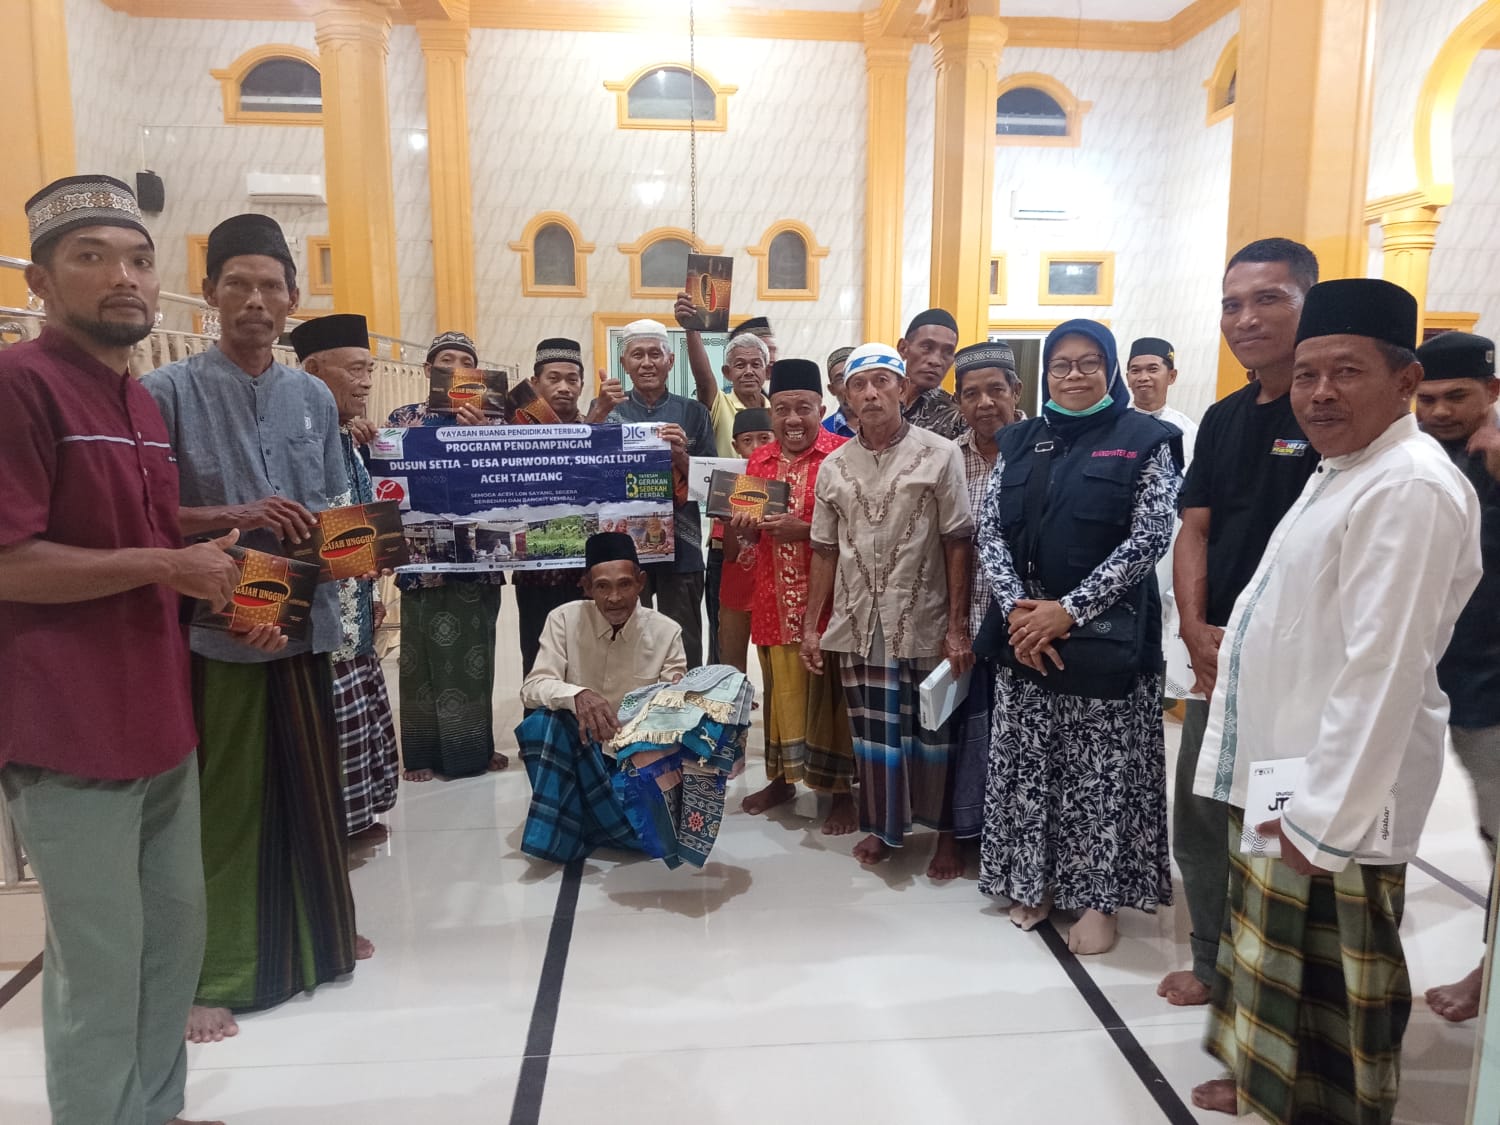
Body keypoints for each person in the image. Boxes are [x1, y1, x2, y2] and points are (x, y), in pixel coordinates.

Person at [0, 175, 271, 1125]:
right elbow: (10, 561)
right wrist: (167, 561)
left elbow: (148, 543)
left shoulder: (138, 402)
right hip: (70, 730)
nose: (125, 277)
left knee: (171, 943)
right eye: (92, 257)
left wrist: (220, 572)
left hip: (160, 719)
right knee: (101, 959)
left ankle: (155, 1110)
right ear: (40, 281)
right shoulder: (20, 385)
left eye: (140, 260)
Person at [1188, 278, 1481, 1122]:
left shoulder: (1409, 486)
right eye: (1309, 373)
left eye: (1346, 372)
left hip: (1339, 787)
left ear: (1404, 379)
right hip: (1289, 764)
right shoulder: (1348, 469)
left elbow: (1382, 669)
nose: (1319, 393)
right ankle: (1264, 1080)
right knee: (1271, 948)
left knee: (1335, 974)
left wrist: (1323, 816)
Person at [143, 212, 365, 1045]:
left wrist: (363, 555)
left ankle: (322, 939)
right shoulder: (167, 392)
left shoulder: (312, 396)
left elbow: (334, 505)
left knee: (311, 784)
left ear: (293, 298)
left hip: (301, 619)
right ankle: (216, 970)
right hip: (220, 621)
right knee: (229, 800)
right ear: (208, 294)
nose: (255, 301)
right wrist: (233, 512)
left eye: (271, 285)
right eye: (237, 283)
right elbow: (145, 516)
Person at [975, 321, 1179, 955]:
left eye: (1090, 363)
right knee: (1031, 765)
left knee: (1099, 774)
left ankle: (1098, 897)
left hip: (1104, 635)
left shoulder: (1146, 440)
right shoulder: (1019, 440)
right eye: (1061, 364)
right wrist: (1020, 613)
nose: (1074, 375)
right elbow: (990, 531)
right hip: (1025, 637)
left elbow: (1150, 537)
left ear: (1111, 369)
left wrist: (1067, 611)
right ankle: (1033, 880)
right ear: (1046, 374)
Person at [1157, 237, 1323, 1008]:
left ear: (1308, 304)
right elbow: (1195, 528)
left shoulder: (1329, 416)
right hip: (1218, 656)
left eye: (1268, 299)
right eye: (1232, 303)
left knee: (1276, 825)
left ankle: (1270, 980)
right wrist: (1194, 627)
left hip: (1299, 669)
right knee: (1199, 812)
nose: (1246, 318)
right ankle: (1211, 957)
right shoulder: (1225, 418)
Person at [803, 343, 974, 879]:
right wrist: (810, 627)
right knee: (874, 736)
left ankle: (946, 835)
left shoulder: (940, 454)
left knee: (936, 733)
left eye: (882, 381)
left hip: (924, 617)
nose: (871, 393)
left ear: (902, 388)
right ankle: (884, 828)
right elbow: (824, 550)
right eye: (859, 384)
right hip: (858, 622)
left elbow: (957, 540)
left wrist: (957, 626)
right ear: (846, 395)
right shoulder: (833, 466)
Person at [1413, 331, 1500, 1023]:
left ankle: (1489, 973)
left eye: (1457, 397)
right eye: (1427, 397)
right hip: (1420, 680)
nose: (1440, 411)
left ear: (1491, 392)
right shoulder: (1412, 460)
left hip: (1490, 686)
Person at [729, 360, 856, 835]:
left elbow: (862, 530)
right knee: (781, 694)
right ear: (771, 413)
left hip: (831, 603)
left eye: (804, 408)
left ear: (822, 408)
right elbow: (746, 540)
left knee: (831, 698)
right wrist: (744, 531)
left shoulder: (843, 456)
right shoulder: (758, 462)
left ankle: (841, 793)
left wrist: (803, 530)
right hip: (773, 598)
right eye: (782, 409)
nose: (793, 419)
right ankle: (781, 781)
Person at [291, 313, 400, 841]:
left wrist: (371, 572)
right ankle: (328, 829)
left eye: (369, 369)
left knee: (358, 714)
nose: (366, 381)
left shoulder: (344, 437)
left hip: (353, 607)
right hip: (315, 614)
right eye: (355, 369)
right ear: (313, 370)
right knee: (327, 720)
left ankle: (354, 821)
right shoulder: (297, 439)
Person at [516, 532, 687, 863]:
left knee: (651, 833)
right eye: (603, 587)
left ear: (641, 582)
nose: (614, 598)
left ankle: (580, 817)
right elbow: (533, 687)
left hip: (634, 758)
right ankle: (574, 824)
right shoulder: (563, 619)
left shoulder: (667, 632)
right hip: (579, 749)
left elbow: (674, 711)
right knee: (541, 724)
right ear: (586, 587)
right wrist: (577, 695)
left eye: (624, 585)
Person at [385, 330, 509, 781]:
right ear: (428, 370)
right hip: (422, 561)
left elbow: (506, 484)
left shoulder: (492, 420)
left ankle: (474, 749)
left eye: (465, 362)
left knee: (477, 656)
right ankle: (421, 755)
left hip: (475, 560)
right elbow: (387, 474)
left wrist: (483, 439)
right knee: (420, 659)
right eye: (446, 360)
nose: (456, 368)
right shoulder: (405, 418)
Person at [510, 337, 624, 678]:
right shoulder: (513, 431)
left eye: (572, 379)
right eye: (553, 378)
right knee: (540, 658)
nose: (564, 387)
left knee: (594, 660)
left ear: (582, 385)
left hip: (589, 572)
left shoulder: (608, 429)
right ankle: (541, 715)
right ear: (535, 383)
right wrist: (595, 418)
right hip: (536, 570)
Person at [607, 318, 715, 668]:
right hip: (624, 545)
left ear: (670, 361)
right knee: (627, 637)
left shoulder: (694, 413)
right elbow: (593, 479)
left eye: (655, 354)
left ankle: (687, 700)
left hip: (682, 547)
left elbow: (713, 486)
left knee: (683, 639)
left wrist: (681, 456)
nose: (647, 363)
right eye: (637, 355)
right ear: (624, 363)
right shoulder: (610, 412)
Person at [950, 342, 1020, 844]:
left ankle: (1010, 839)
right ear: (958, 402)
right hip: (965, 622)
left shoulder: (1042, 450)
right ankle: (964, 834)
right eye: (971, 394)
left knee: (1016, 741)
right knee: (964, 736)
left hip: (1022, 627)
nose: (985, 403)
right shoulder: (948, 457)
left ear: (1016, 391)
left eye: (996, 390)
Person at [1127, 337, 1199, 702]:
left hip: (1170, 553)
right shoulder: (1114, 426)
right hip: (1119, 553)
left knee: (1159, 655)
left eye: (1152, 369)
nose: (1143, 377)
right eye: (1135, 370)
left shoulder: (1189, 433)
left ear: (1171, 376)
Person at [718, 407, 775, 674]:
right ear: (735, 446)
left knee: (773, 666)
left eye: (764, 438)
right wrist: (730, 521)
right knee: (732, 666)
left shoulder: (782, 481)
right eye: (747, 440)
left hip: (772, 589)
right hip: (736, 589)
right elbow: (729, 554)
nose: (756, 447)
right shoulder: (729, 485)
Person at [898, 309, 964, 439]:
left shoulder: (957, 417)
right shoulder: (878, 400)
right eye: (927, 347)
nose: (935, 361)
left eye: (947, 352)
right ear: (903, 348)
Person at [822, 346, 856, 438]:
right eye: (840, 379)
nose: (848, 385)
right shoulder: (824, 432)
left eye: (853, 376)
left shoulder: (887, 424)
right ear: (831, 389)